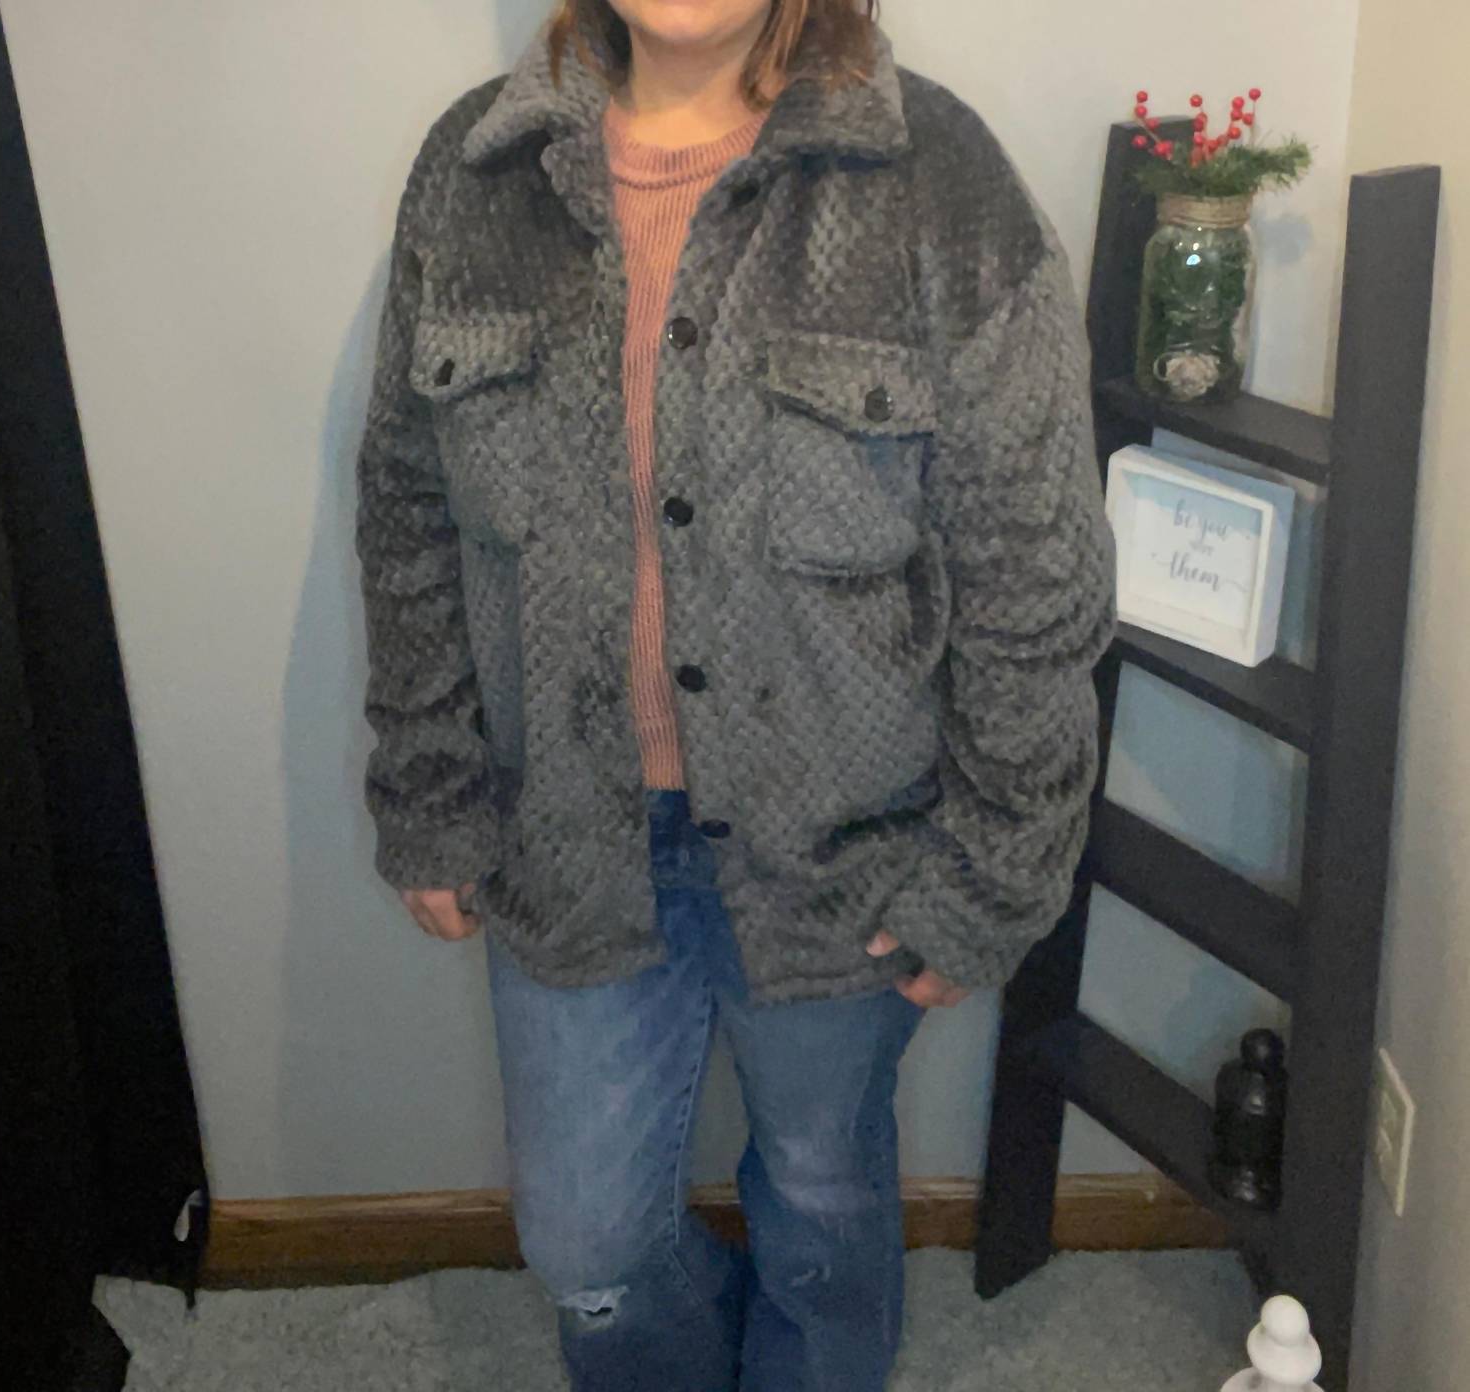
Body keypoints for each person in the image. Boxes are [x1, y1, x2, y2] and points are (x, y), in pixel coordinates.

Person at [352, 0, 1117, 1387]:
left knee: (824, 1198)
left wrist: (996, 868)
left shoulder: (936, 177)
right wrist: (428, 788)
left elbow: (1035, 561)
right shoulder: (473, 175)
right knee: (583, 1245)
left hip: (846, 853)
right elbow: (407, 509)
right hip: (564, 836)